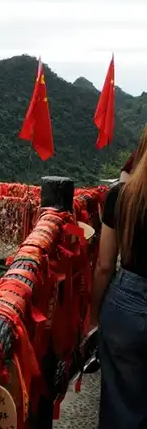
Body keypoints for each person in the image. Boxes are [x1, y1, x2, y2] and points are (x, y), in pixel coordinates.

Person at [92, 128, 147, 428]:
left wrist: (92, 314)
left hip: (127, 305)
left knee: (120, 406)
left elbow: (103, 266)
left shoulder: (121, 196)